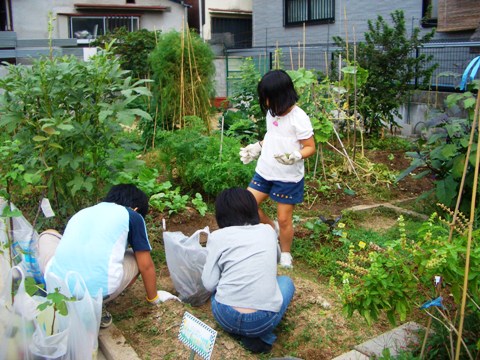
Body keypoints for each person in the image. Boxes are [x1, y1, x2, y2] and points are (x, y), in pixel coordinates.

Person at [38, 184, 179, 328]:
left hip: (56, 286)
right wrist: (154, 298)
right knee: (137, 258)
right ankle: (96, 306)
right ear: (136, 208)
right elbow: (146, 266)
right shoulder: (132, 216)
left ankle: (46, 288)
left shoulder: (84, 212)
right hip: (95, 294)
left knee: (48, 234)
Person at [202, 188, 295, 354]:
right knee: (286, 282)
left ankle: (241, 333)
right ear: (253, 210)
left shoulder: (217, 237)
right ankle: (261, 336)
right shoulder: (267, 231)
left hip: (225, 316)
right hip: (262, 320)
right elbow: (276, 259)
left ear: (221, 214)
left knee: (219, 287)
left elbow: (209, 284)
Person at [239, 69, 316, 269]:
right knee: (246, 205)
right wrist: (257, 147)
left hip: (288, 177)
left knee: (284, 218)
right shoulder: (272, 113)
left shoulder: (299, 117)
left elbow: (310, 147)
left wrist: (296, 156)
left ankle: (286, 253)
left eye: (269, 99)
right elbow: (272, 137)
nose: (266, 104)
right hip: (265, 170)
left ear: (282, 96)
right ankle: (270, 228)